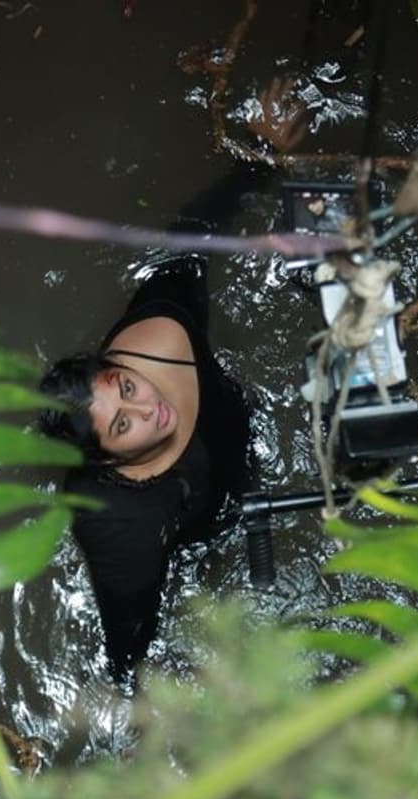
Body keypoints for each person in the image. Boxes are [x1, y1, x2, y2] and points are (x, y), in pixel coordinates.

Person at [39, 80, 306, 686]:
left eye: (126, 387)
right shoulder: (117, 518)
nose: (147, 406)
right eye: (122, 424)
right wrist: (132, 691)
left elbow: (191, 234)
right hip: (196, 521)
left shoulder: (158, 336)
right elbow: (127, 628)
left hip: (236, 426)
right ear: (108, 460)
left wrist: (260, 158)